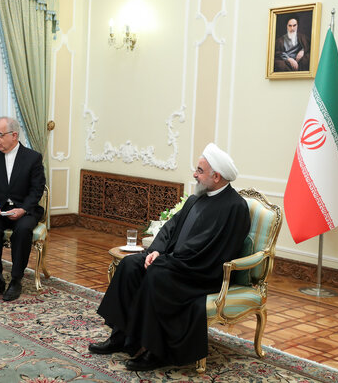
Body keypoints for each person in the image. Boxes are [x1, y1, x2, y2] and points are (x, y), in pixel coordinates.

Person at [88, 143, 251, 371]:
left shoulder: (235, 207)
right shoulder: (197, 198)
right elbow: (170, 228)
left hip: (201, 272)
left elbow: (209, 248)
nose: (194, 174)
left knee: (158, 274)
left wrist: (168, 260)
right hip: (175, 262)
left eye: (200, 170)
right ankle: (121, 337)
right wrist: (156, 251)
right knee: (130, 265)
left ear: (216, 176)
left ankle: (156, 351)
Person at [0, 116, 46, 302]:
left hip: (25, 210)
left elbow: (37, 189)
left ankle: (16, 279)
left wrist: (23, 209)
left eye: (0, 135)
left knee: (23, 230)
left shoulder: (33, 158)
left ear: (14, 135)